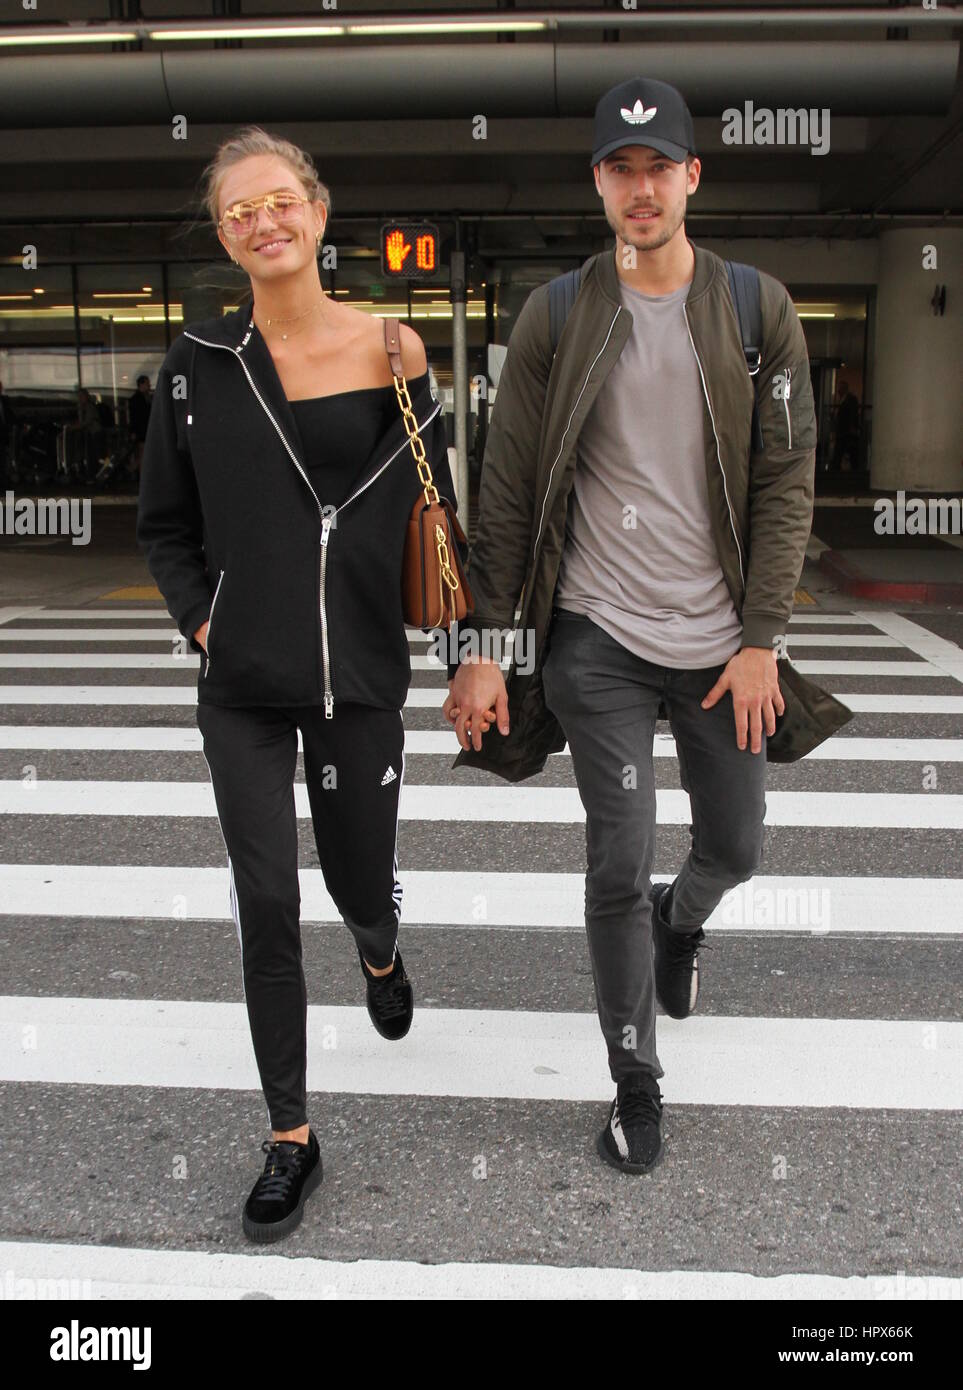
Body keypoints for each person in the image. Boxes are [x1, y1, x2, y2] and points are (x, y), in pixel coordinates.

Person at [445, 77, 816, 1176]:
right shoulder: (557, 315)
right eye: (621, 166)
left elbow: (785, 483)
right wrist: (487, 649)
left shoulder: (758, 310)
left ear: (693, 176)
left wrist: (761, 638)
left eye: (661, 167)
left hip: (720, 645)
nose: (641, 186)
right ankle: (634, 1078)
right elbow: (507, 496)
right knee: (616, 859)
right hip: (596, 640)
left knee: (736, 845)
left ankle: (683, 922)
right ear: (598, 180)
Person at [136, 126, 463, 1242]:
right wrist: (200, 616)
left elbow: (439, 520)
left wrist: (471, 663)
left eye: (281, 202)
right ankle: (290, 1135)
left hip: (361, 672)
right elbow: (162, 525)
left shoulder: (395, 351)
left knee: (356, 876)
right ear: (226, 235)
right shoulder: (194, 366)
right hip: (244, 683)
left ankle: (379, 945)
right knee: (266, 902)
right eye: (240, 212)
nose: (264, 223)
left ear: (319, 214)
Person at [831, 378, 860, 471]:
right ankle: (837, 467)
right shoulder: (841, 400)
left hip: (846, 430)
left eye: (840, 388)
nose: (838, 391)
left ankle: (838, 467)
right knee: (843, 450)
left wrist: (852, 427)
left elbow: (852, 413)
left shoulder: (850, 399)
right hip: (842, 430)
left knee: (844, 449)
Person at [127, 374, 152, 477]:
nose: (149, 386)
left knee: (142, 453)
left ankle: (134, 469)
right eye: (147, 383)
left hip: (142, 430)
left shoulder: (141, 398)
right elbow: (135, 417)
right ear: (142, 385)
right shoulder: (139, 399)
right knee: (143, 453)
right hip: (142, 430)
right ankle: (136, 471)